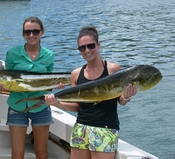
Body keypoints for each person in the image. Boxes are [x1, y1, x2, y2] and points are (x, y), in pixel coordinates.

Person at [44, 26, 137, 159]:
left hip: (105, 129)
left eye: (91, 46)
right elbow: (78, 106)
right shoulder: (76, 74)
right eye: (82, 48)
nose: (87, 50)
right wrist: (56, 103)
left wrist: (127, 96)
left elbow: (121, 101)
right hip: (81, 128)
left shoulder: (113, 69)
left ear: (98, 45)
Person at [0, 16, 64, 159]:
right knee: (17, 153)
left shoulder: (49, 55)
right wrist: (4, 87)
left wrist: (56, 86)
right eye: (28, 32)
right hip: (17, 106)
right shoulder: (12, 54)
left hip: (41, 105)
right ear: (23, 34)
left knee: (41, 151)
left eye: (35, 31)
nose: (31, 35)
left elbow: (49, 81)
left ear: (42, 32)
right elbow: (10, 79)